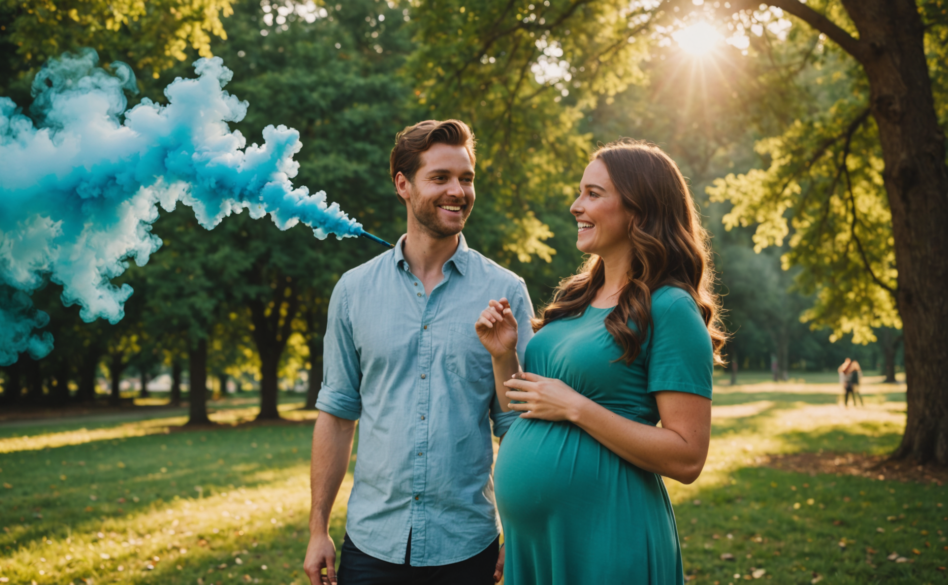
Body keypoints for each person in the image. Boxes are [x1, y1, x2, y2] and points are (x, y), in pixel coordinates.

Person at [474, 139, 726, 584]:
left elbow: (688, 456)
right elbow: (524, 409)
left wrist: (576, 407)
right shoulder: (576, 299)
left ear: (638, 210)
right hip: (537, 541)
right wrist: (503, 356)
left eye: (593, 193)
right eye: (579, 192)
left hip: (608, 534)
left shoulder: (669, 307)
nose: (576, 206)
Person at [303, 119, 536, 585]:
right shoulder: (353, 291)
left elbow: (519, 425)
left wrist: (520, 534)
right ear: (403, 185)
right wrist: (317, 529)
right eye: (441, 178)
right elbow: (337, 413)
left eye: (466, 178)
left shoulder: (506, 290)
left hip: (469, 546)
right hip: (371, 544)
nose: (459, 190)